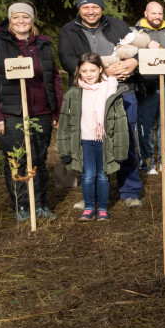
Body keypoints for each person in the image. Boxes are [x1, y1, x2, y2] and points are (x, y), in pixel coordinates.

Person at [58, 0, 143, 208]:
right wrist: (105, 72)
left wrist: (136, 62)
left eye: (95, 6)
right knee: (88, 145)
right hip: (87, 97)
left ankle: (130, 191)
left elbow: (140, 46)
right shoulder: (69, 31)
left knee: (125, 142)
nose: (90, 11)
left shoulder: (118, 25)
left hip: (122, 93)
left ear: (102, 8)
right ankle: (90, 194)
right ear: (79, 8)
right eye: (85, 7)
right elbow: (68, 61)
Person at [0, 1, 63, 222]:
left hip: (42, 113)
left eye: (25, 17)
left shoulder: (43, 44)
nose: (21, 21)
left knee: (38, 160)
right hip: (11, 114)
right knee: (18, 160)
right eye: (16, 17)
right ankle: (22, 206)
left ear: (32, 20)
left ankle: (40, 204)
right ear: (10, 20)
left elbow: (53, 78)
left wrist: (56, 112)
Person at [57, 53, 130, 222]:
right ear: (79, 72)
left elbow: (120, 124)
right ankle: (89, 207)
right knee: (88, 175)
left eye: (92, 70)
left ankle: (103, 209)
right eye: (84, 71)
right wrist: (64, 149)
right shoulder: (73, 94)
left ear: (100, 69)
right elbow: (65, 123)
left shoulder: (110, 91)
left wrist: (120, 150)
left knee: (103, 175)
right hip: (85, 142)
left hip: (105, 141)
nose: (89, 74)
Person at [134, 1, 165, 175]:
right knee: (146, 125)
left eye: (160, 13)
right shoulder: (136, 32)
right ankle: (147, 163)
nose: (158, 17)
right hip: (146, 86)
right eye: (154, 13)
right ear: (146, 13)